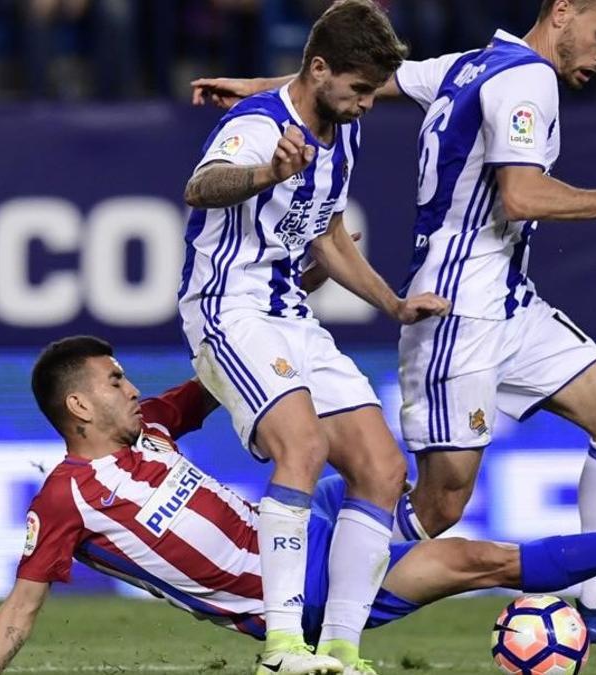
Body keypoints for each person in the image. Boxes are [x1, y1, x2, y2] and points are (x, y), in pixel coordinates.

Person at [191, 0, 596, 649]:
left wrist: (258, 87)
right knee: (438, 508)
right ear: (563, 11)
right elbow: (520, 194)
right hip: (457, 310)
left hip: (511, 300)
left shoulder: (471, 64)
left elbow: (368, 79)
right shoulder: (529, 80)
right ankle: (329, 540)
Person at [0, 334, 596, 675]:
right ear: (78, 404)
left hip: (311, 524)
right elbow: (19, 609)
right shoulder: (67, 497)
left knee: (400, 476)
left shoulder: (153, 428)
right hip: (299, 593)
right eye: (114, 380)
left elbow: (221, 375)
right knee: (475, 559)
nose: (131, 387)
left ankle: (470, 403)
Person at [178, 1, 451, 672]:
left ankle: (339, 649)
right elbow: (201, 185)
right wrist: (268, 172)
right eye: (358, 89)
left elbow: (326, 232)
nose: (365, 104)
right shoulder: (257, 126)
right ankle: (281, 646)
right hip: (227, 308)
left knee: (383, 469)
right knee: (301, 445)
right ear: (320, 69)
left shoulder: (343, 129)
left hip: (291, 312)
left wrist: (390, 302)